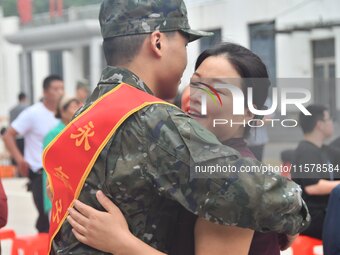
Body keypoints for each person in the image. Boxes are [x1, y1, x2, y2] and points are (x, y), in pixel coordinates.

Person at [44, 1, 309, 254]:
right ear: (158, 42)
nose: (196, 93)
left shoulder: (86, 113)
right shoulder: (156, 121)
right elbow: (259, 194)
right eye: (183, 43)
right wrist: (293, 214)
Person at [3, 75, 64, 233]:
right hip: (40, 174)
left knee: (61, 217)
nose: (60, 92)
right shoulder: (33, 113)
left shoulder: (64, 115)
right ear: (45, 91)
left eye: (62, 88)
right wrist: (20, 160)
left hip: (61, 174)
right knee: (45, 217)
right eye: (55, 89)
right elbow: (8, 134)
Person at [292, 104, 340, 240]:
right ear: (320, 124)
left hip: (327, 213)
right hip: (316, 218)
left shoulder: (323, 150)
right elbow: (314, 187)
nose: (332, 123)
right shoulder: (307, 151)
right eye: (329, 119)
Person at [42, 96, 81, 214]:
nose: (79, 109)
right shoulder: (53, 134)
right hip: (58, 190)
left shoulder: (81, 130)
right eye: (74, 106)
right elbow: (49, 165)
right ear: (62, 112)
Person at [9, 92, 28, 172]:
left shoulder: (12, 110)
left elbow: (10, 123)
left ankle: (17, 171)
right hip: (23, 136)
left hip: (14, 136)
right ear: (24, 98)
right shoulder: (27, 108)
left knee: (17, 154)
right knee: (23, 155)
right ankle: (23, 171)